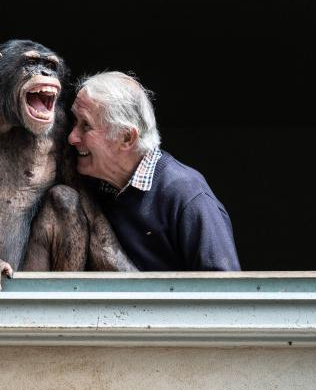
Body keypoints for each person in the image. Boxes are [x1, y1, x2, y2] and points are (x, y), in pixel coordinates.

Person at [68, 71, 240, 271]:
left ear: (126, 138)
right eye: (75, 121)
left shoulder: (186, 195)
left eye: (86, 125)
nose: (72, 137)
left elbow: (223, 291)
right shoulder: (97, 185)